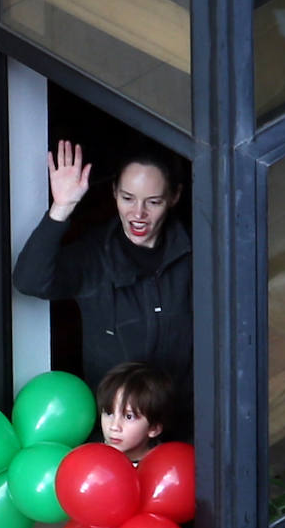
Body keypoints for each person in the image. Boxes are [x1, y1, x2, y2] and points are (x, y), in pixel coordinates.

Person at [14, 140, 192, 435]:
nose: (138, 212)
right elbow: (29, 281)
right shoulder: (94, 256)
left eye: (153, 201)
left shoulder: (194, 251)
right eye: (127, 198)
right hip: (117, 432)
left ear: (174, 197)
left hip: (185, 421)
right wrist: (62, 207)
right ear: (113, 193)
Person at [95, 362, 175, 464]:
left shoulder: (161, 465)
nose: (114, 427)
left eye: (129, 416)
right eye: (109, 413)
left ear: (154, 428)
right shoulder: (93, 457)